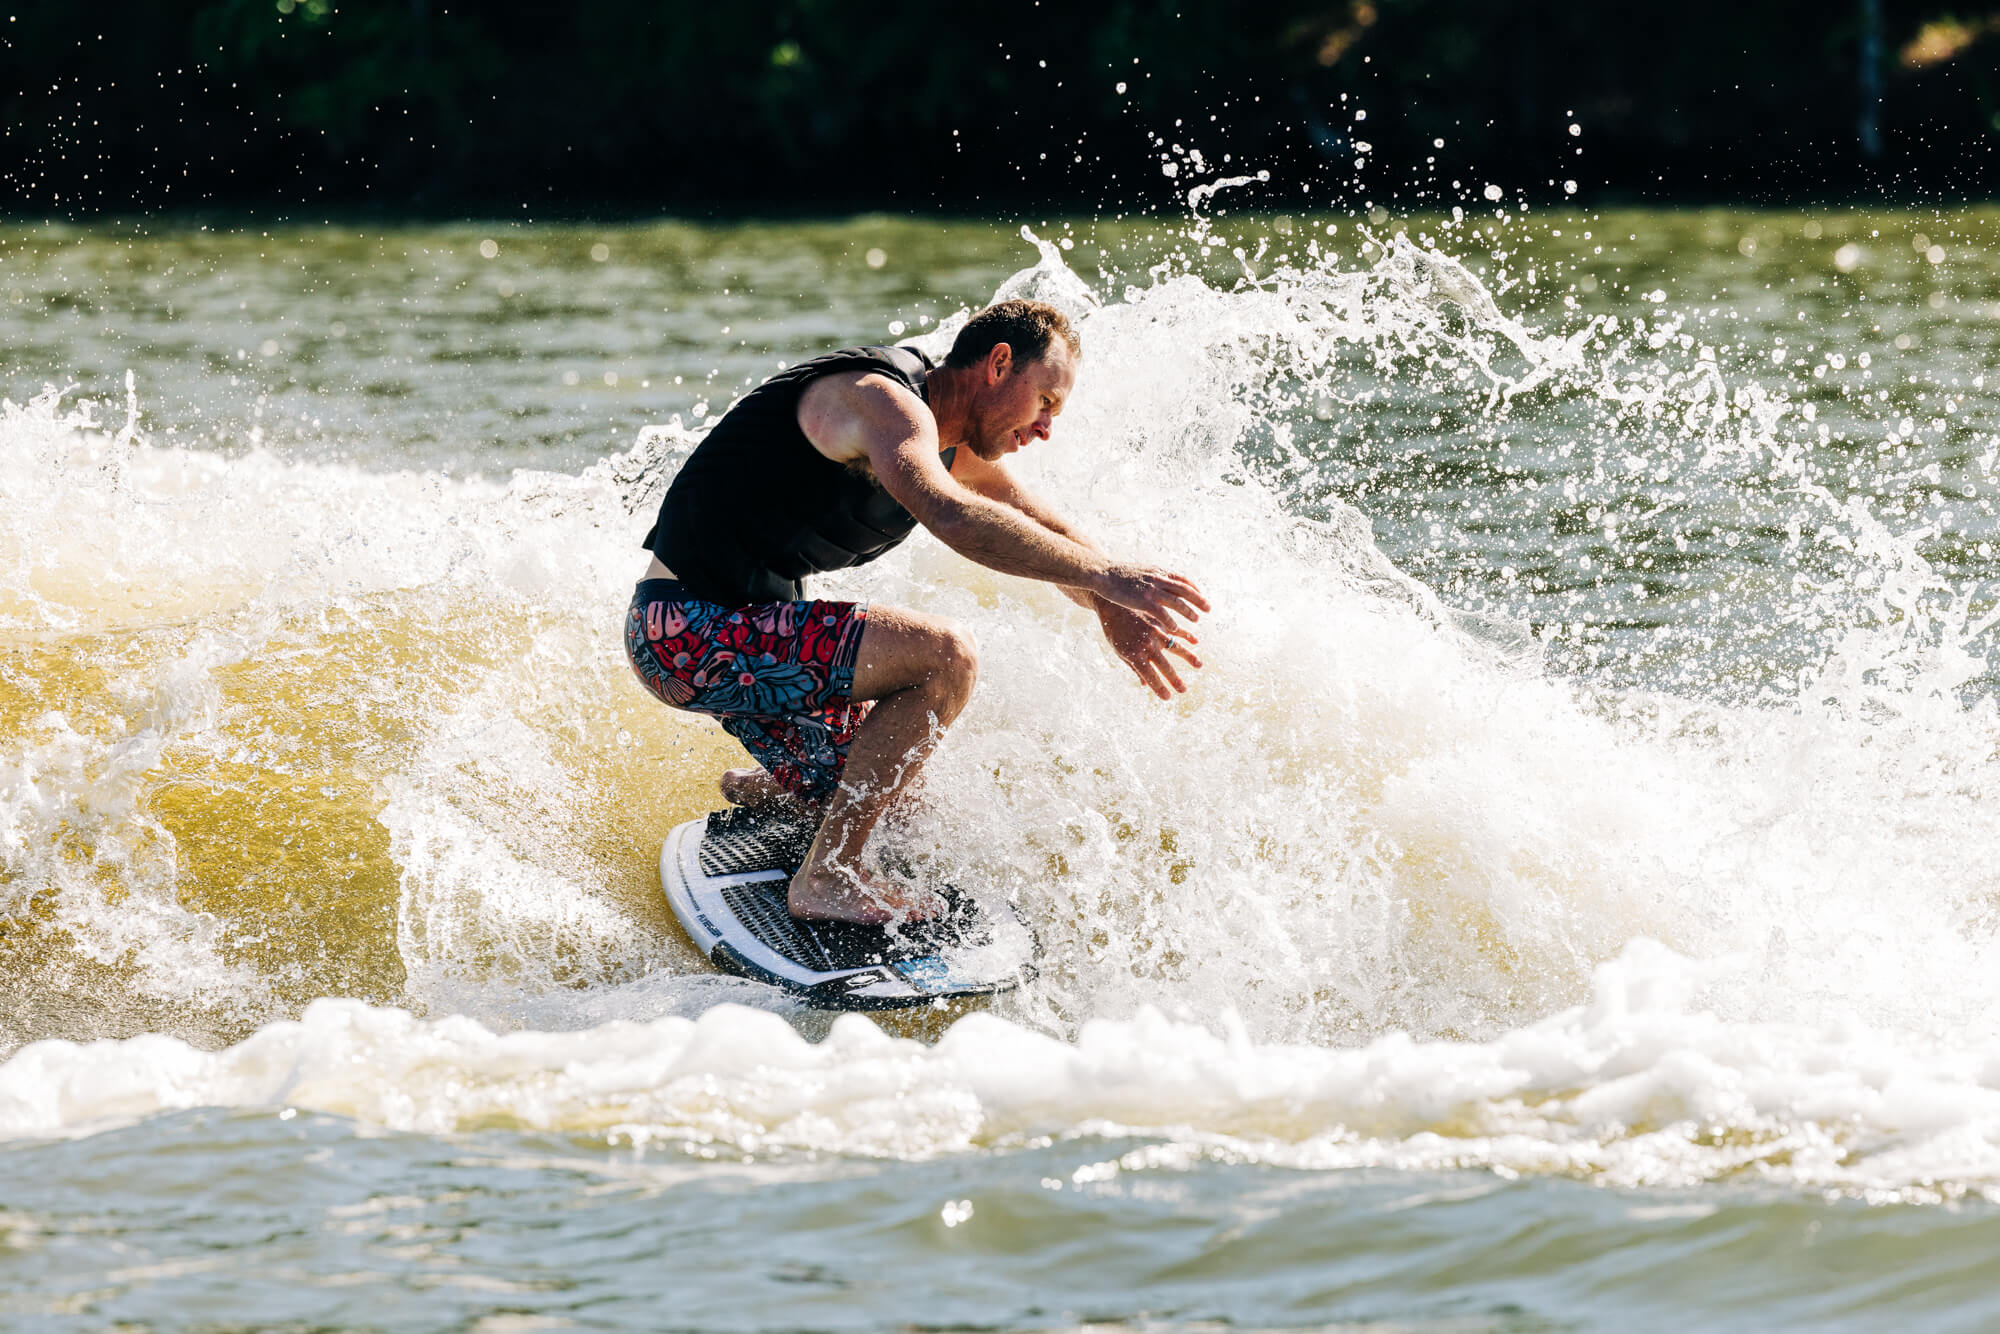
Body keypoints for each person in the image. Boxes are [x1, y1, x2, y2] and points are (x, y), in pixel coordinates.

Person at [625, 298, 1207, 925]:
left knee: (897, 802)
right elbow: (953, 516)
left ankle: (774, 790)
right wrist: (1106, 578)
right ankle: (827, 877)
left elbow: (1041, 526)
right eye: (1045, 402)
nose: (1045, 430)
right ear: (998, 364)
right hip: (682, 634)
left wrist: (1107, 600)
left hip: (744, 642)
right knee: (946, 658)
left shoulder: (950, 444)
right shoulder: (881, 402)